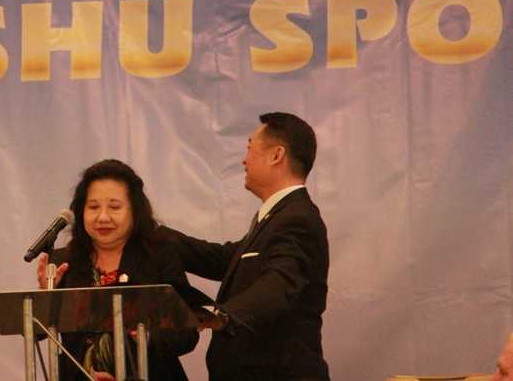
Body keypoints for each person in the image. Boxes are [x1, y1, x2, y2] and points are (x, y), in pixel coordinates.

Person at [161, 112, 330, 381]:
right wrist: (155, 233)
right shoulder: (278, 216)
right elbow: (223, 259)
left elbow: (279, 283)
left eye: (250, 148)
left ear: (276, 155)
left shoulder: (297, 218)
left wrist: (223, 315)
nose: (244, 159)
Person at [36, 159, 200, 381]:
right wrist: (44, 298)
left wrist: (145, 336)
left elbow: (187, 334)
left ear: (134, 211)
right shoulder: (64, 262)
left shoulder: (159, 256)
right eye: (93, 207)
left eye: (114, 207)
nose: (103, 217)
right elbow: (38, 333)